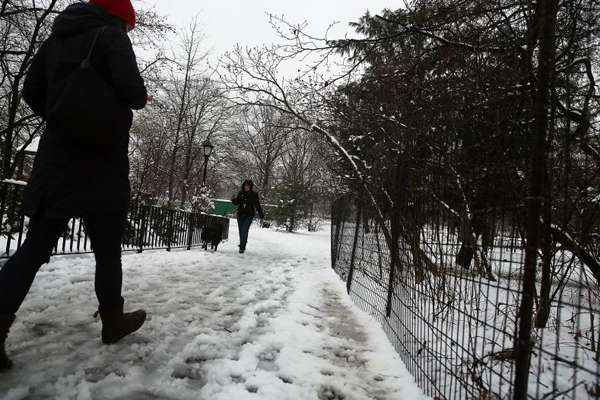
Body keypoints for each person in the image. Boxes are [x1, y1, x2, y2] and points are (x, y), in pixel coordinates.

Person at [0, 0, 148, 372]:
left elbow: (32, 90)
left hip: (57, 160)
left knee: (34, 248)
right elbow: (135, 93)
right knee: (107, 250)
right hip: (102, 162)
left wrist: (63, 113)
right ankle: (112, 322)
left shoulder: (56, 39)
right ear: (120, 17)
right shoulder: (111, 37)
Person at [231, 180, 265, 254]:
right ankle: (242, 243)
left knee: (244, 230)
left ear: (250, 187)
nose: (246, 187)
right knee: (241, 231)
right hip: (240, 214)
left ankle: (242, 246)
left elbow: (257, 205)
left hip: (249, 215)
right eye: (245, 185)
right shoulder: (241, 193)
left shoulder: (254, 194)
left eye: (248, 186)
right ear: (243, 186)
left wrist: (261, 215)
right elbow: (237, 202)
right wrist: (233, 199)